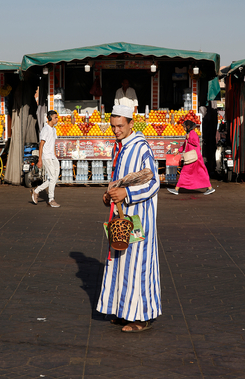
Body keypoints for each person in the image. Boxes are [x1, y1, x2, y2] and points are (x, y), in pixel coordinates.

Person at [97, 104, 161, 333]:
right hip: (121, 217)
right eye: (113, 126)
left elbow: (154, 183)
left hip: (139, 216)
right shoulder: (119, 148)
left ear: (131, 123)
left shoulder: (142, 147)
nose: (116, 130)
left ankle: (142, 317)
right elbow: (117, 180)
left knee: (139, 265)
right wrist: (109, 195)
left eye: (120, 126)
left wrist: (128, 194)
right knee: (120, 261)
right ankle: (124, 312)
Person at [168, 120, 215, 196]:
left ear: (188, 126)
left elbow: (196, 143)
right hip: (195, 157)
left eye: (184, 126)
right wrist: (178, 151)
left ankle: (176, 189)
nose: (183, 128)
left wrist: (189, 138)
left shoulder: (192, 133)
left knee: (185, 172)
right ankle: (210, 188)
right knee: (201, 172)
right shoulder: (190, 133)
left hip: (193, 158)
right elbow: (185, 144)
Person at [30, 110, 61, 208]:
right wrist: (40, 159)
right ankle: (51, 199)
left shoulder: (54, 130)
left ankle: (36, 191)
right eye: (55, 117)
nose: (57, 119)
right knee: (52, 178)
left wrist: (55, 156)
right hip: (46, 156)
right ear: (50, 118)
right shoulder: (45, 130)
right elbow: (41, 145)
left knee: (54, 178)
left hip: (52, 157)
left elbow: (54, 143)